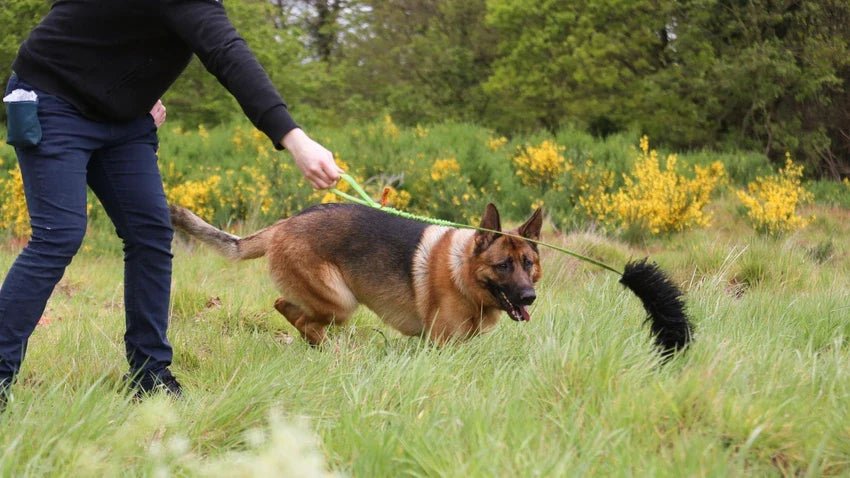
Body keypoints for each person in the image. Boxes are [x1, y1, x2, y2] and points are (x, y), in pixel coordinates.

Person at [0, 0, 341, 400]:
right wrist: (293, 138)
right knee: (59, 235)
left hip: (123, 119)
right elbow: (226, 54)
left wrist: (127, 84)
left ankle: (150, 373)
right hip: (53, 100)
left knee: (149, 232)